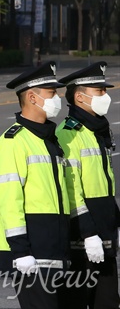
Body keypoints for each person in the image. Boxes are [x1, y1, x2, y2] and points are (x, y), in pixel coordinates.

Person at [0, 62, 70, 308]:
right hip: (31, 252)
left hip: (54, 248)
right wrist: (21, 251)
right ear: (33, 98)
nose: (57, 98)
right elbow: (9, 200)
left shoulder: (49, 138)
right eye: (52, 93)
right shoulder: (13, 141)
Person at [56, 62, 119, 308]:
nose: (105, 96)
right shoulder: (68, 133)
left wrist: (116, 222)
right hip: (82, 236)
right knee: (77, 300)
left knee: (108, 301)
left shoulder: (98, 129)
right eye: (99, 91)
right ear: (80, 97)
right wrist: (88, 233)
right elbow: (71, 189)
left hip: (104, 229)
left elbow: (104, 182)